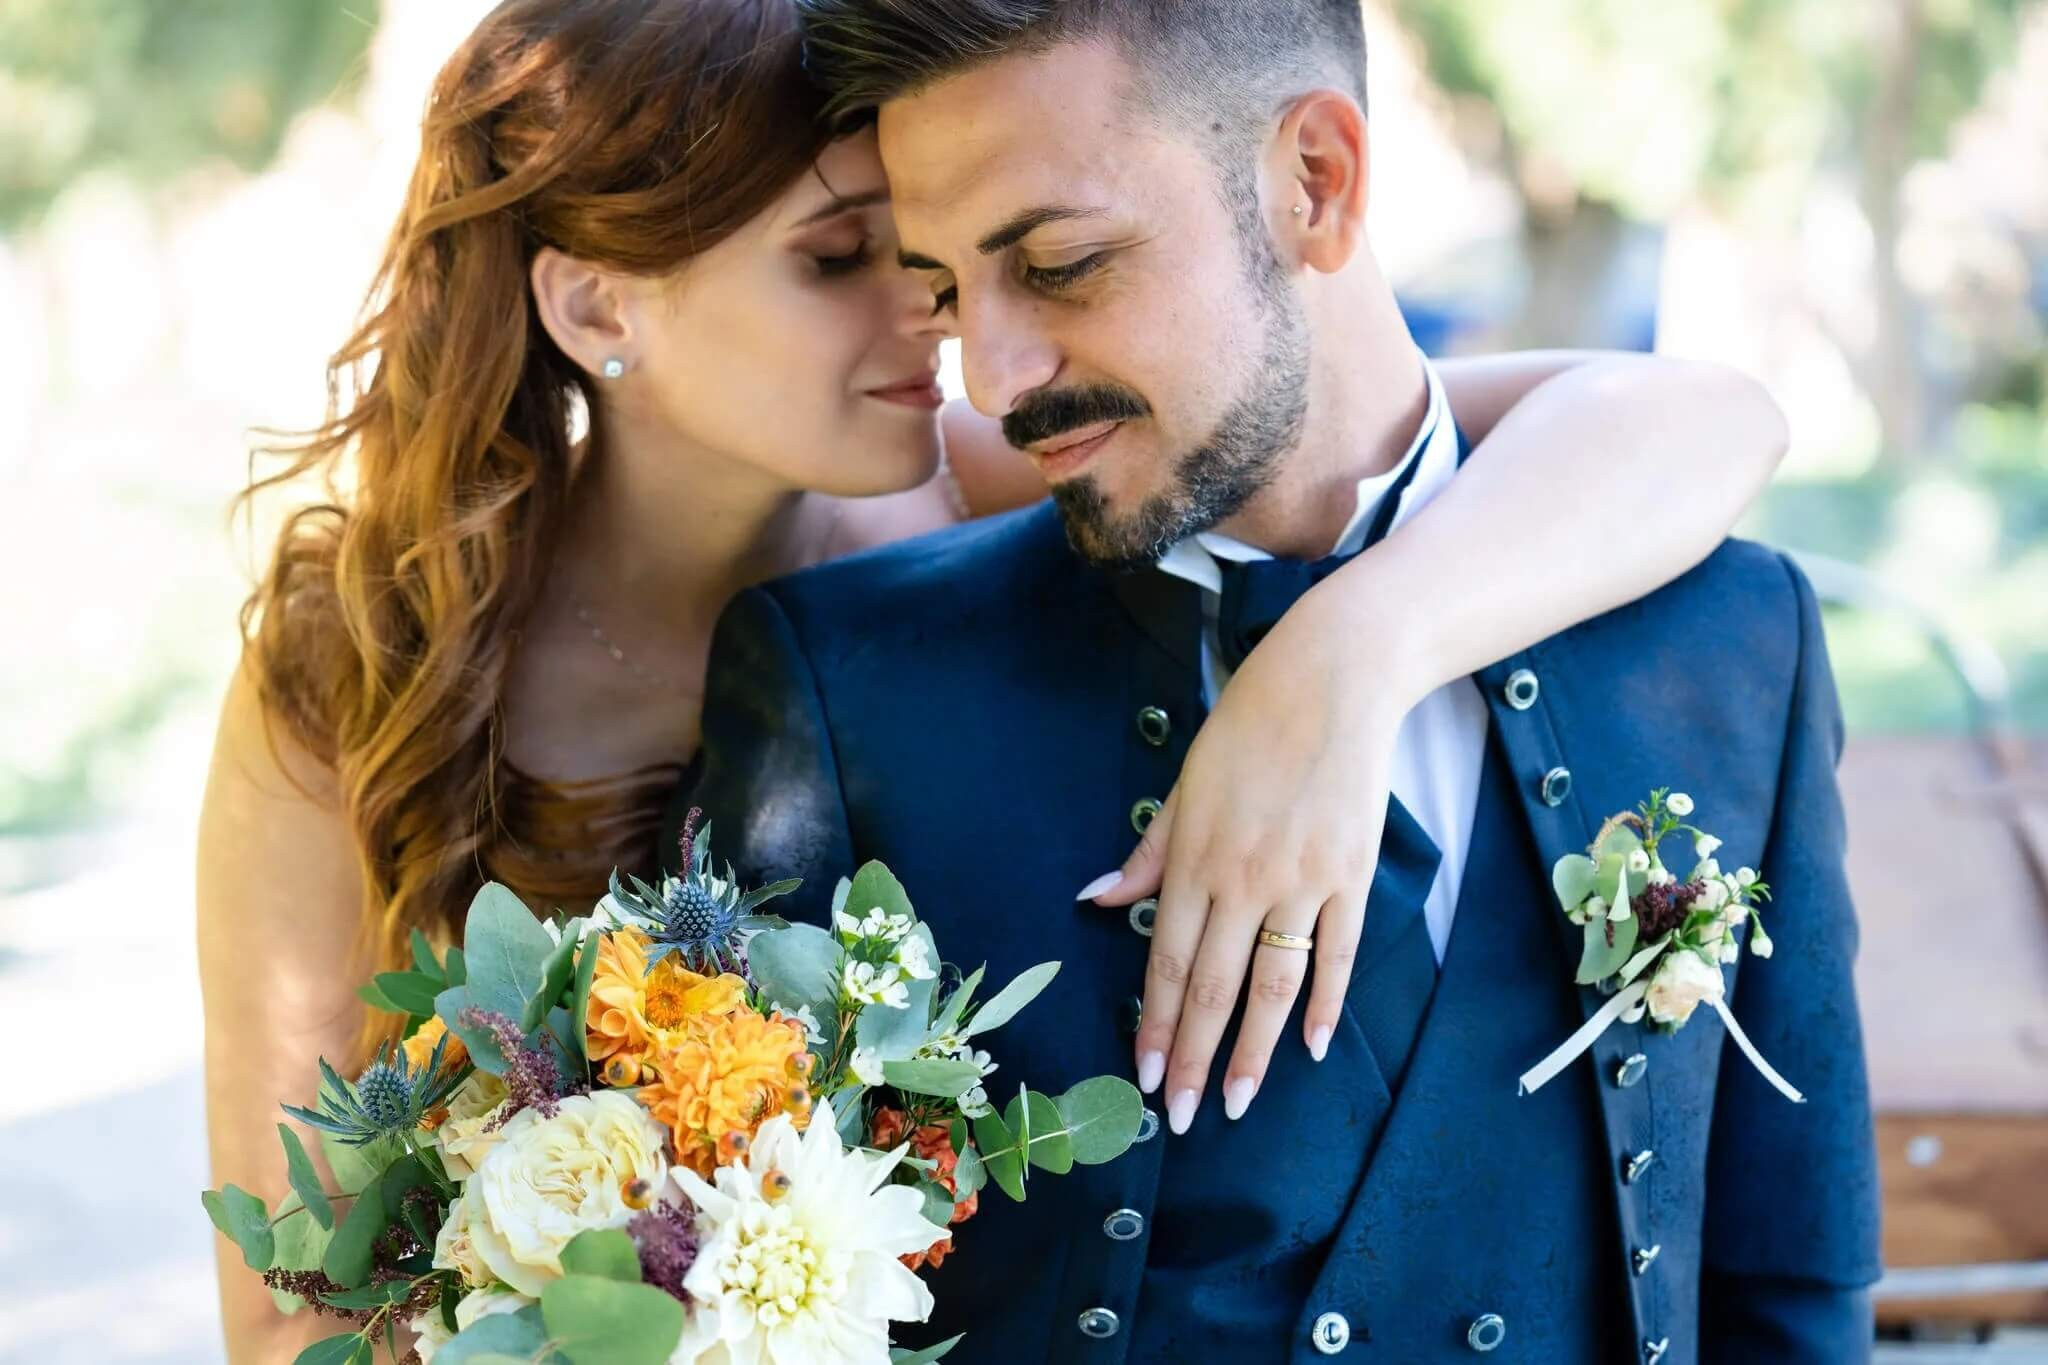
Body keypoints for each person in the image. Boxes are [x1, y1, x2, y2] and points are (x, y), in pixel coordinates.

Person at [198, 0, 1791, 1358]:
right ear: (600, 302)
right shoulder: (358, 672)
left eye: (934, 265)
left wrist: (1349, 654)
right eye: (844, 261)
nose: (944, 330)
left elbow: (1690, 419)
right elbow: (290, 1294)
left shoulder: (992, 475)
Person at [676, 0, 1882, 1360]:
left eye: (1063, 264)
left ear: (1317, 182)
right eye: (948, 289)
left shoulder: (1731, 640)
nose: (994, 373)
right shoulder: (849, 691)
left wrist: (1347, 651)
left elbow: (1790, 1285)